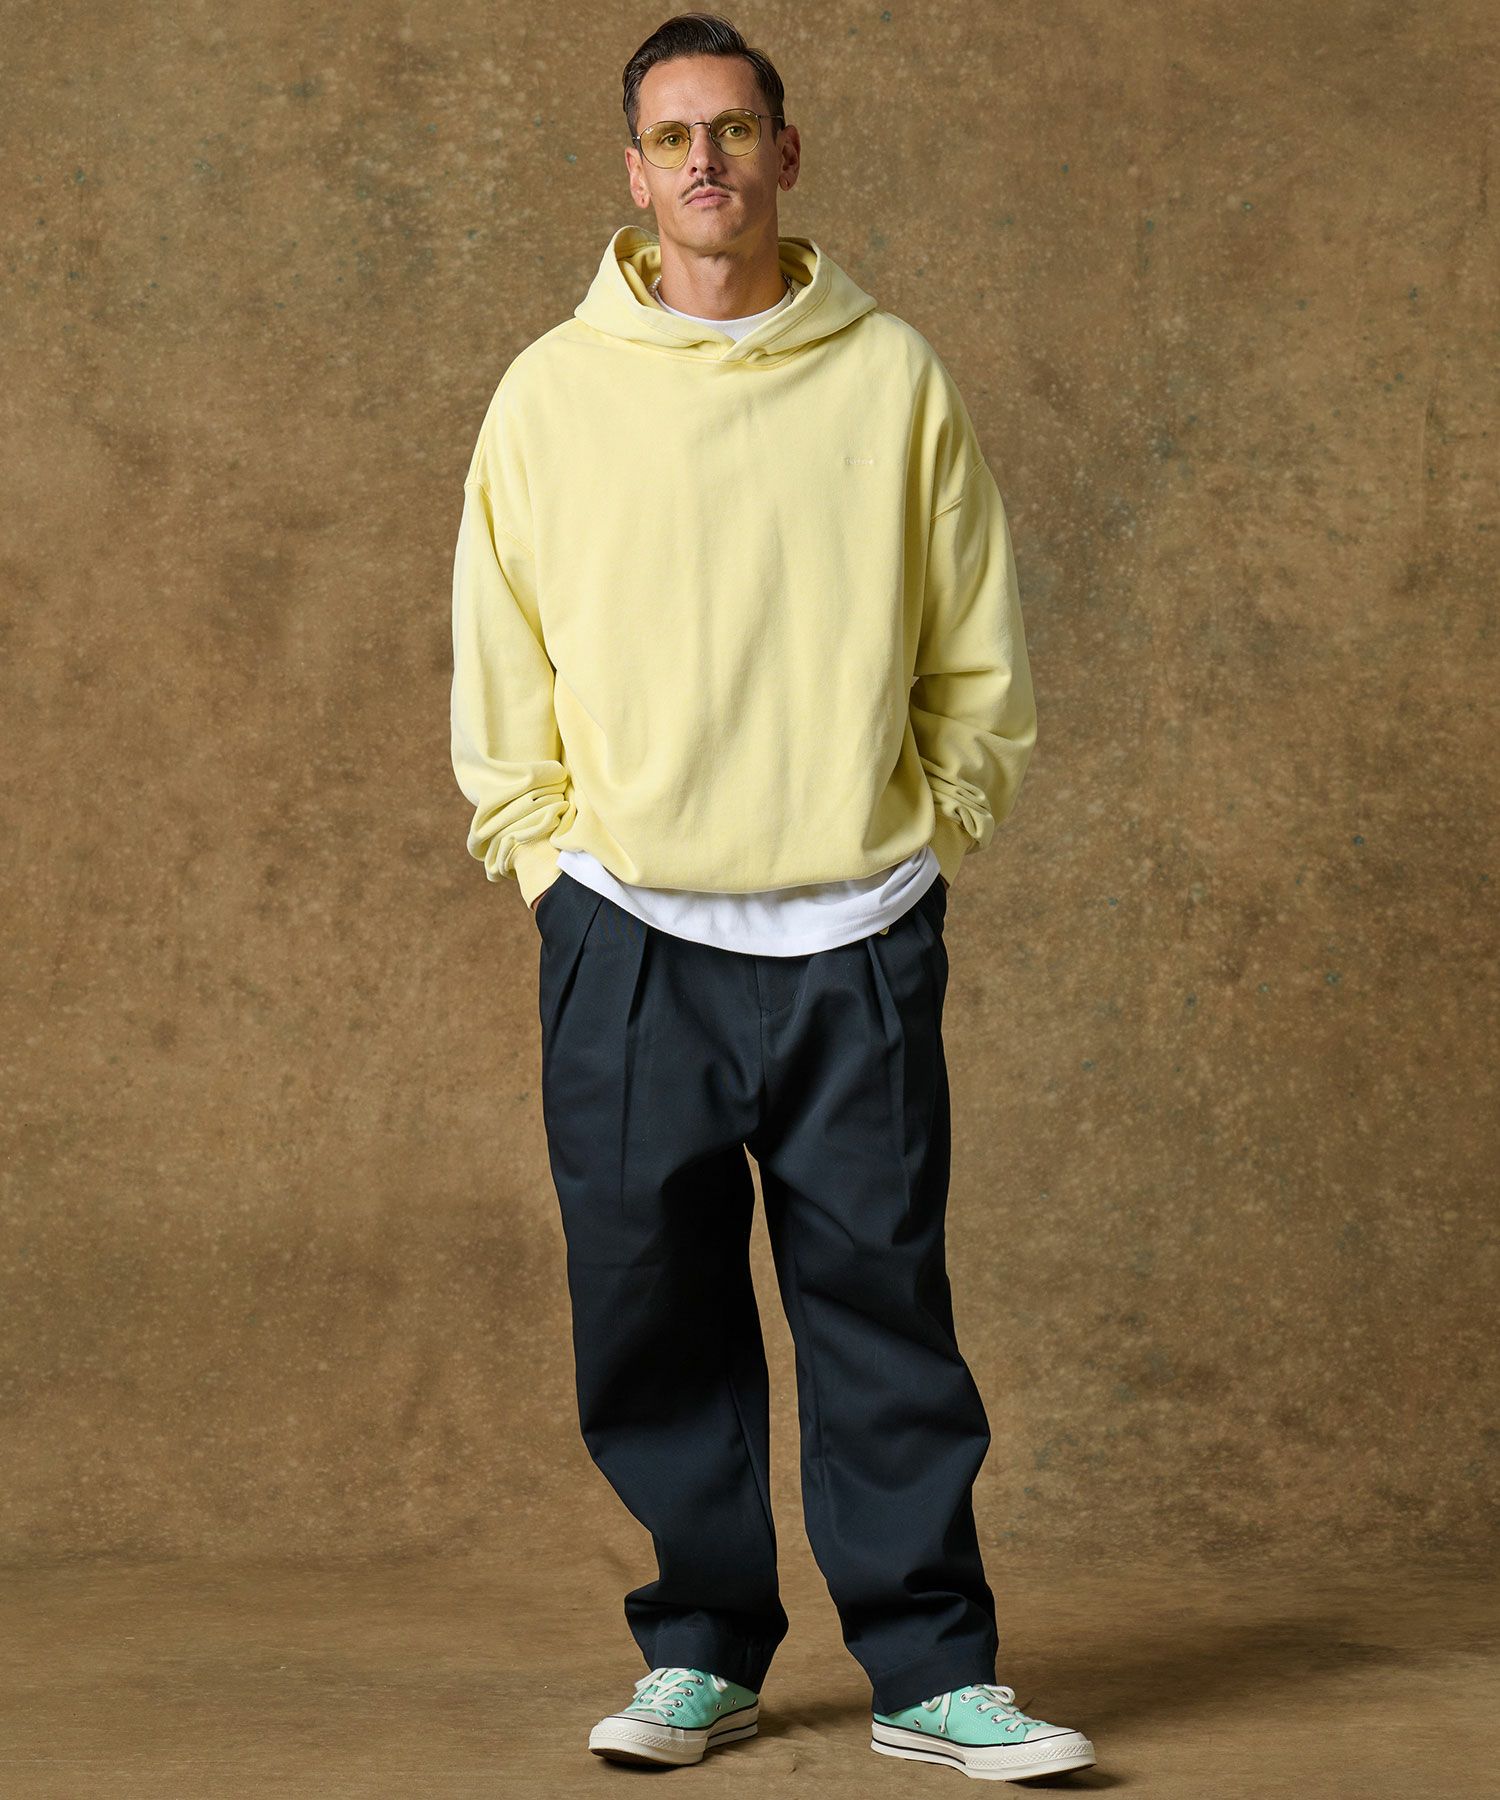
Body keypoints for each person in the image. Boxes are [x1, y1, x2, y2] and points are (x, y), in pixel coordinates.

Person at [449, 10, 1095, 1783]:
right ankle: (703, 1650)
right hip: (629, 934)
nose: (706, 163)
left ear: (785, 154)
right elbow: (499, 655)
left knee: (882, 1310)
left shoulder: (893, 378)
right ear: (632, 170)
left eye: (734, 130)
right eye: (673, 137)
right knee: (647, 1307)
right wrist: (551, 869)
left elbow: (976, 639)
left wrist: (931, 830)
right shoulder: (552, 393)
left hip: (854, 932)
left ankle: (932, 1673)